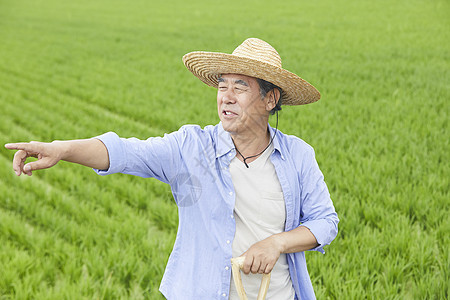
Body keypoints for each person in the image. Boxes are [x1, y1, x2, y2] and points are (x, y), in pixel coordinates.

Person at [5, 38, 338, 300]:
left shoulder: (297, 155)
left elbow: (325, 221)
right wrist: (62, 149)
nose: (226, 97)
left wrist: (277, 243)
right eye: (223, 85)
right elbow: (125, 151)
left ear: (270, 99)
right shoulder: (190, 148)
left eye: (241, 86)